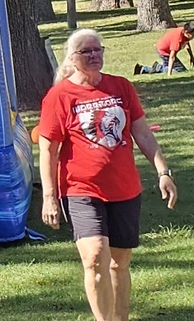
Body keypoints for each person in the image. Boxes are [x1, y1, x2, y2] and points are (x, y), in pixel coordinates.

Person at [38, 29, 177, 321]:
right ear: (72, 58)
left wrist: (162, 171)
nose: (94, 55)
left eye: (97, 49)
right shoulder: (59, 96)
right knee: (94, 256)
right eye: (86, 51)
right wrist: (49, 197)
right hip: (81, 188)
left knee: (119, 263)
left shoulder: (121, 87)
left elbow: (142, 133)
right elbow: (48, 149)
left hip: (124, 188)